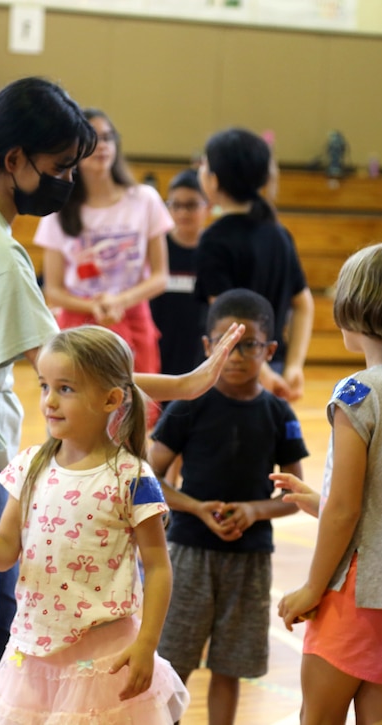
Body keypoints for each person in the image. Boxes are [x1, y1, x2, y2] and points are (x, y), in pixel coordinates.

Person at [0, 77, 243, 725]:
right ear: (16, 160)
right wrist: (187, 384)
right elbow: (70, 370)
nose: (68, 182)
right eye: (59, 168)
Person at [0, 326, 190, 724]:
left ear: (111, 399)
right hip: (31, 659)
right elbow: (5, 550)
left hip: (103, 658)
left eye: (66, 389)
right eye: (44, 386)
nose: (49, 401)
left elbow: (158, 566)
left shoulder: (132, 476)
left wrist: (147, 643)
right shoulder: (30, 466)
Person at [273, 242, 382, 724]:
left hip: (363, 592)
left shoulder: (359, 391)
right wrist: (318, 501)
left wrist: (311, 588)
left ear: (357, 306)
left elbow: (348, 509)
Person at [149, 289, 308, 725]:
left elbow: (294, 493)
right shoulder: (189, 404)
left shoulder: (279, 413)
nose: (235, 356)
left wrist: (256, 511)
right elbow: (148, 477)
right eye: (225, 344)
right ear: (207, 347)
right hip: (187, 553)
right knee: (173, 662)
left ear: (271, 350)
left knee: (230, 665)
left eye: (249, 345)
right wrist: (196, 508)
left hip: (250, 560)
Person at [36, 109, 172, 376]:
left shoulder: (144, 199)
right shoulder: (58, 210)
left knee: (140, 406)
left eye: (108, 138)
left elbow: (160, 276)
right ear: (73, 151)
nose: (103, 146)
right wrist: (95, 307)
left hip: (133, 317)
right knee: (81, 408)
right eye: (94, 139)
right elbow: (53, 290)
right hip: (78, 323)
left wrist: (120, 301)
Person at [195, 127, 314, 402]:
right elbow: (304, 304)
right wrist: (293, 366)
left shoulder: (214, 240)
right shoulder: (279, 233)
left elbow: (227, 320)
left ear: (214, 180)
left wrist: (261, 372)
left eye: (204, 163)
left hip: (232, 372)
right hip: (272, 364)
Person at [150, 169, 210, 375]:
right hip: (159, 347)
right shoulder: (157, 246)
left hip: (199, 350)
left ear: (207, 207)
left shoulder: (215, 249)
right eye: (176, 205)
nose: (183, 212)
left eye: (191, 205)